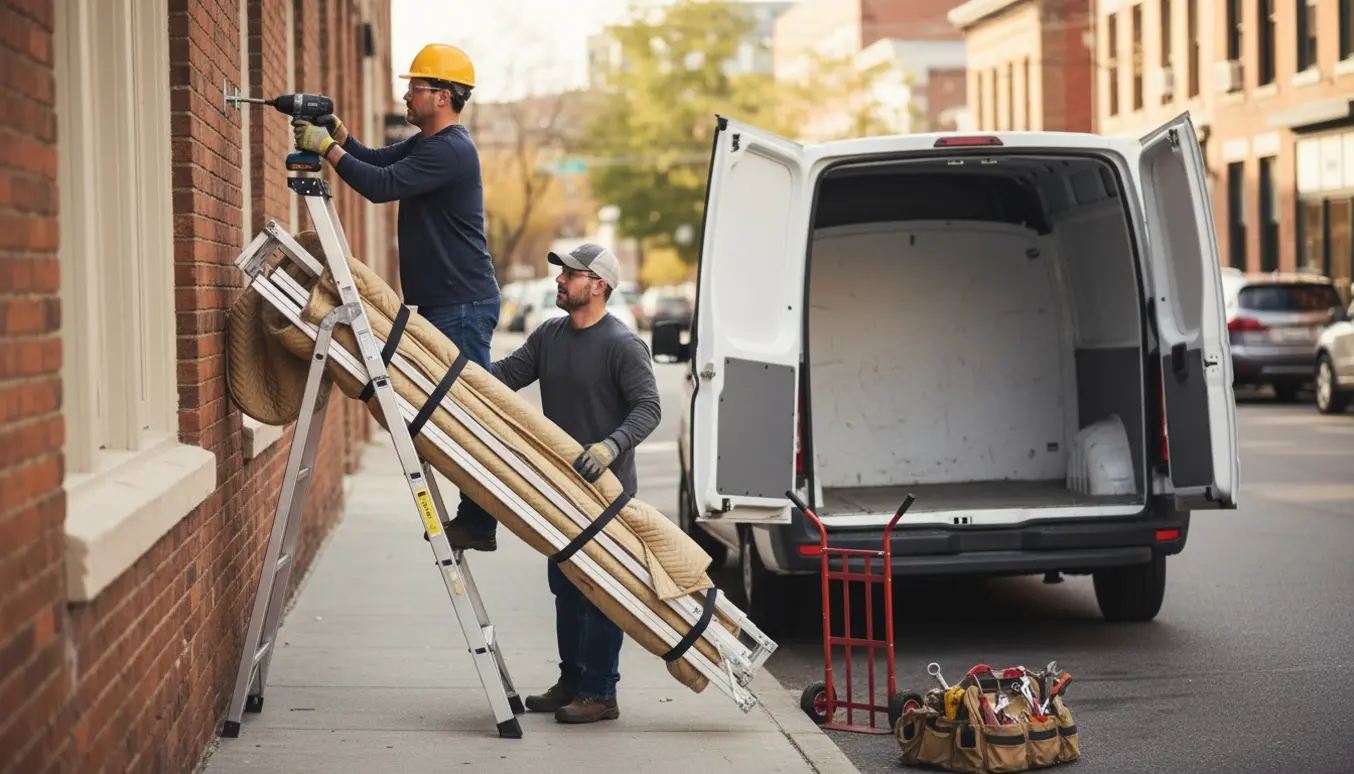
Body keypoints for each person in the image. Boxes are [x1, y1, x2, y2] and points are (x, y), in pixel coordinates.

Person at [291, 43, 505, 551]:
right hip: (444, 304)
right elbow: (376, 159)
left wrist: (325, 149)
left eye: (417, 86)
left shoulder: (452, 149)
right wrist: (338, 135)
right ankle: (474, 516)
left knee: (466, 415)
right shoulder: (429, 143)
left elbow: (380, 186)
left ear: (445, 95)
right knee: (450, 410)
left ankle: (480, 522)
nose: (406, 94)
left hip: (464, 306)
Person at [488, 243, 662, 724]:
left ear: (599, 285)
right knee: (565, 587)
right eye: (561, 273)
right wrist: (459, 358)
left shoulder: (622, 344)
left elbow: (649, 408)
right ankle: (573, 680)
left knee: (602, 592)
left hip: (607, 496)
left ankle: (601, 693)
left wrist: (610, 446)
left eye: (571, 273)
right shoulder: (549, 336)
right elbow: (505, 376)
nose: (560, 280)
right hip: (561, 492)